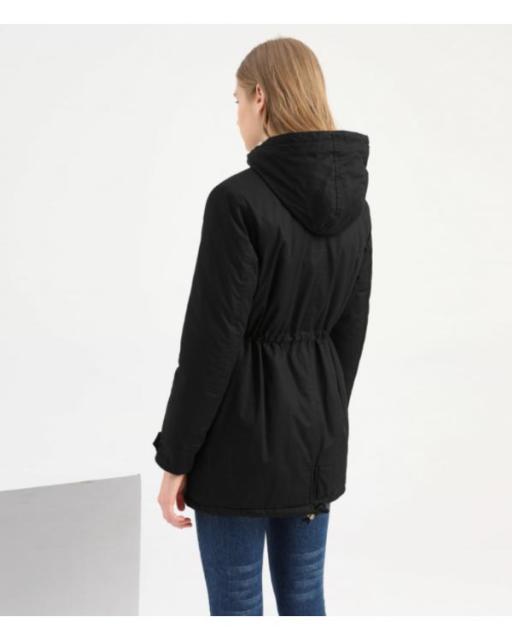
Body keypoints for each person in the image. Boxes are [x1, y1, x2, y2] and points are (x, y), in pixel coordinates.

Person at [152, 36, 372, 616]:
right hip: (314, 444)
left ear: (261, 97)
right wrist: (319, 419)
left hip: (235, 449)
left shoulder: (236, 202)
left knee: (236, 608)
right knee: (305, 601)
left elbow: (210, 345)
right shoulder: (357, 208)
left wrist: (175, 458)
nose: (237, 117)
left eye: (236, 101)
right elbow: (350, 333)